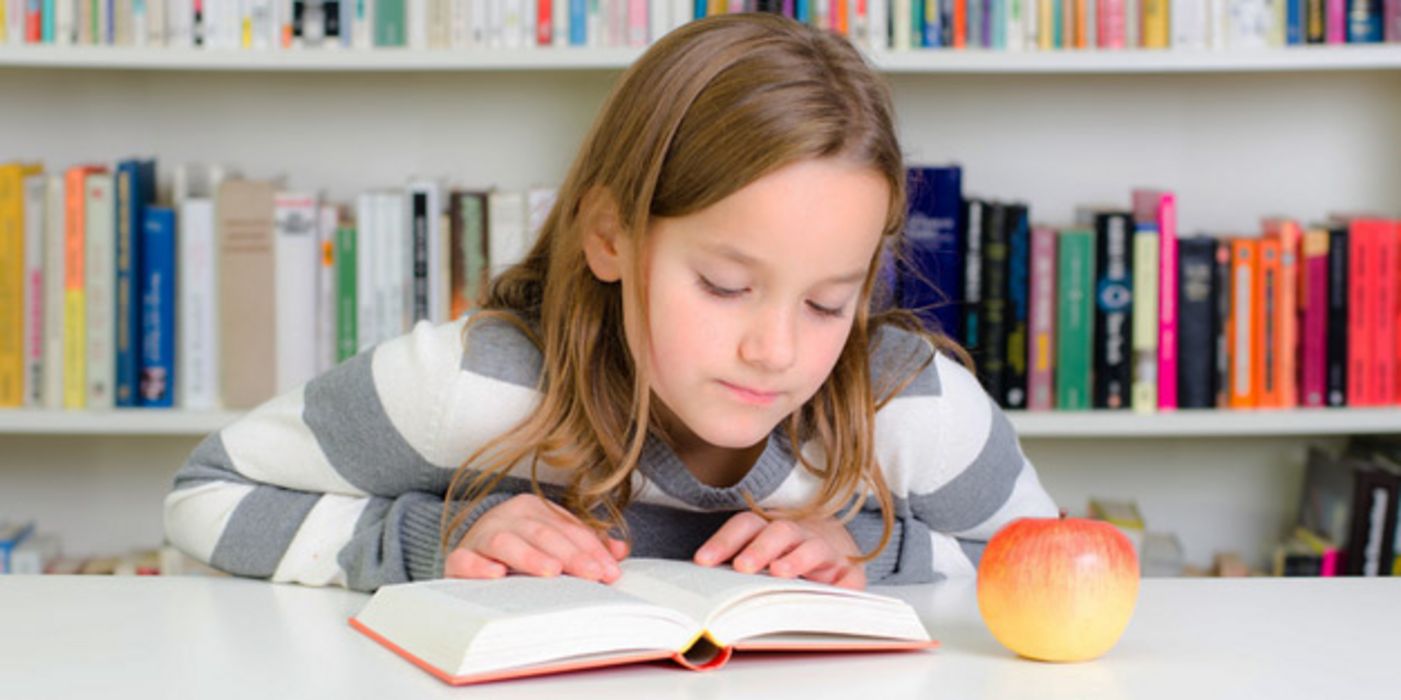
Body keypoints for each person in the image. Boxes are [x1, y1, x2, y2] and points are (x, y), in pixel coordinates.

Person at [163, 13, 1056, 593]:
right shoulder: (479, 386)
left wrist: (875, 549)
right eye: (725, 286)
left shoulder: (908, 405)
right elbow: (205, 494)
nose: (776, 350)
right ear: (610, 238)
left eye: (829, 304)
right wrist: (435, 537)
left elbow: (1044, 570)